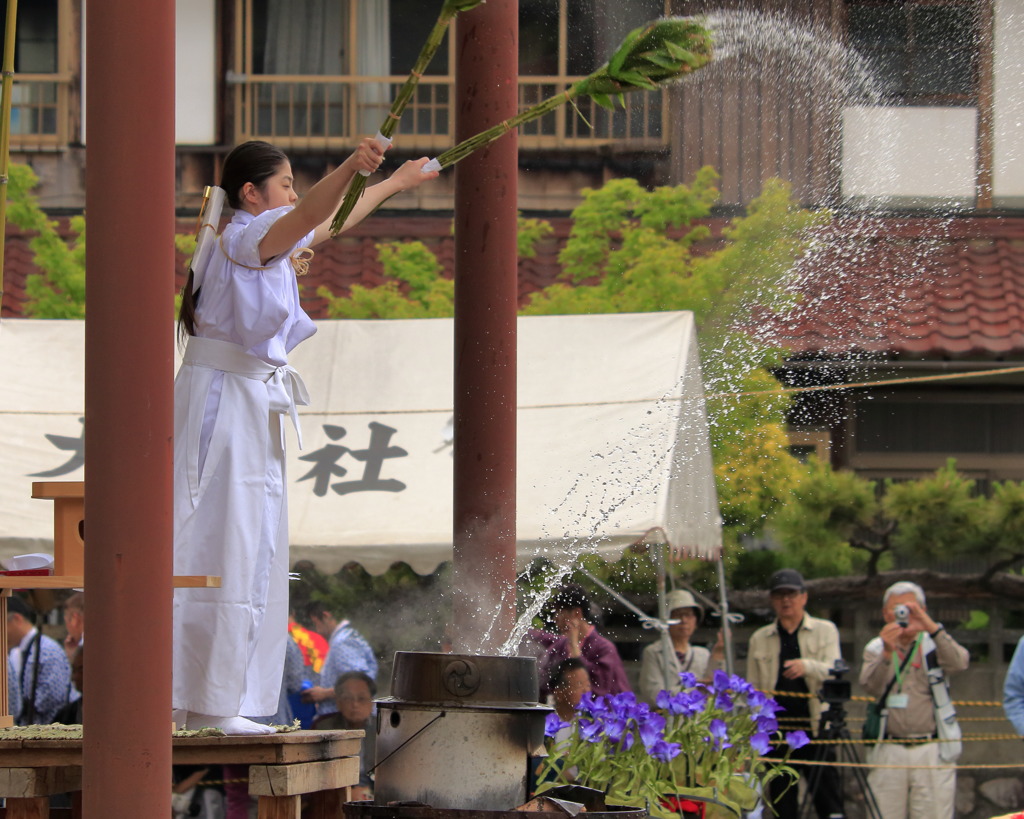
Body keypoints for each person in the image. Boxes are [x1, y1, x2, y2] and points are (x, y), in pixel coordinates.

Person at [172, 138, 438, 736]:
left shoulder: (260, 238)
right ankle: (199, 703)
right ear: (251, 193)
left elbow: (328, 223)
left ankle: (217, 701)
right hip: (223, 401)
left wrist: (394, 183)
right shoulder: (243, 234)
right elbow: (311, 216)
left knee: (250, 549)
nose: (293, 194)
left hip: (247, 400)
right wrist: (349, 165)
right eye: (286, 182)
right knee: (215, 547)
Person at [859, 581, 968, 819]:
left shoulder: (934, 642)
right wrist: (888, 654)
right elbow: (870, 687)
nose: (903, 615)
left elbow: (959, 663)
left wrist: (930, 626)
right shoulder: (876, 647)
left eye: (910, 608)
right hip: (888, 747)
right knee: (882, 813)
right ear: (885, 614)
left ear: (922, 609)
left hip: (932, 747)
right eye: (896, 609)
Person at [745, 568, 843, 819]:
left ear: (804, 597)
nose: (786, 600)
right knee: (782, 802)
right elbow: (753, 688)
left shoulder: (826, 630)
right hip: (777, 729)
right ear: (772, 600)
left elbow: (835, 669)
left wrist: (807, 666)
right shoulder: (760, 637)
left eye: (791, 594)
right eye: (779, 595)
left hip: (816, 726)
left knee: (828, 797)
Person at [528, 584, 631, 699]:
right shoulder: (560, 645)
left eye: (559, 612)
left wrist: (574, 648)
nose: (555, 618)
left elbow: (600, 688)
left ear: (577, 613)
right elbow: (544, 680)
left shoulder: (604, 648)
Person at [638, 589, 724, 702]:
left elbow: (714, 687)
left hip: (697, 719)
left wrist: (718, 654)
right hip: (667, 718)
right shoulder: (654, 652)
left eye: (688, 615)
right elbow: (653, 693)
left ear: (695, 621)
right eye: (677, 615)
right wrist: (694, 689)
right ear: (666, 620)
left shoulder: (702, 654)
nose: (684, 620)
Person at [302, 602, 378, 718]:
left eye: (315, 623)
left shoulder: (343, 642)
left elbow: (358, 685)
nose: (317, 630)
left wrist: (324, 693)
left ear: (326, 616)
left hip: (345, 719)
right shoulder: (348, 636)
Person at [7, 595, 72, 725]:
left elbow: (53, 697)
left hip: (46, 733)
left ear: (17, 619)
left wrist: (23, 706)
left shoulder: (48, 650)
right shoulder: (14, 652)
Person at [313, 671, 377, 799]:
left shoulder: (383, 728)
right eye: (348, 698)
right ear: (338, 702)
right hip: (334, 795)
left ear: (372, 702)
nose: (355, 704)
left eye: (362, 698)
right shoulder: (323, 728)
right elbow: (315, 775)